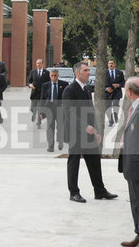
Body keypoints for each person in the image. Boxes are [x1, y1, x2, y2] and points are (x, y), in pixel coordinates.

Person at [62, 62, 117, 203]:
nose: (88, 72)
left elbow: (90, 112)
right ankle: (74, 192)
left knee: (94, 161)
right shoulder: (70, 90)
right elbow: (69, 113)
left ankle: (100, 191)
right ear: (77, 73)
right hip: (75, 133)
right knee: (74, 162)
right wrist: (85, 127)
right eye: (85, 70)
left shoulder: (86, 89)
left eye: (88, 70)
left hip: (89, 133)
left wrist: (96, 131)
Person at [118, 77, 139, 247]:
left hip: (136, 164)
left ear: (129, 92)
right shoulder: (134, 107)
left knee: (138, 203)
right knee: (135, 202)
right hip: (131, 164)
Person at [39, 69, 68, 152]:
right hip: (49, 108)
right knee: (50, 128)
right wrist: (41, 112)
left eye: (55, 76)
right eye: (52, 76)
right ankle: (50, 146)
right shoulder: (45, 85)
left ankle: (60, 141)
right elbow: (42, 99)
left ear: (58, 76)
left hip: (60, 108)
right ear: (50, 76)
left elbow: (67, 97)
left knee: (60, 127)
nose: (53, 77)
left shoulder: (64, 84)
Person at [28, 59, 50, 128]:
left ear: (42, 64)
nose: (38, 65)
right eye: (37, 63)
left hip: (42, 94)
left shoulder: (46, 73)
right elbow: (28, 81)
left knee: (40, 109)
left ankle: (39, 123)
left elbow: (49, 83)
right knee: (33, 108)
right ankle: (34, 114)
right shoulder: (33, 72)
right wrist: (30, 85)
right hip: (34, 93)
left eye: (39, 63)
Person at [105, 59, 125, 127]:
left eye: (112, 63)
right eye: (109, 63)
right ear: (107, 65)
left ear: (114, 64)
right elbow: (100, 83)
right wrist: (106, 88)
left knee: (115, 104)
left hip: (117, 92)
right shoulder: (104, 73)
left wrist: (118, 85)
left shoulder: (120, 72)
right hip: (108, 93)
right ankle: (111, 121)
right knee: (108, 107)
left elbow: (123, 82)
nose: (110, 64)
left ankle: (116, 115)